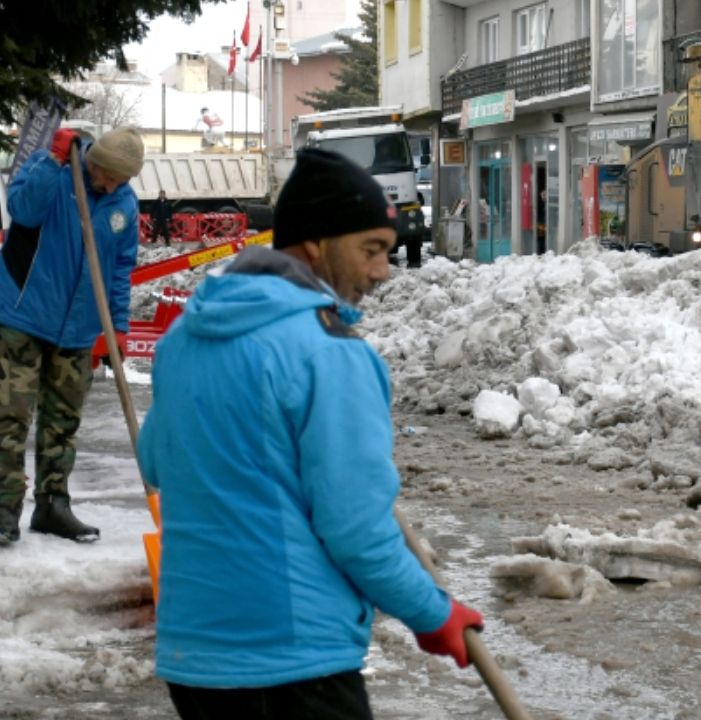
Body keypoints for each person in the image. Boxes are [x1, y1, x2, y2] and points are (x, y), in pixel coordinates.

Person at [137, 148, 484, 720]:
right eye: (370, 250)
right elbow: (356, 532)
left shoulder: (184, 342)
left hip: (194, 660)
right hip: (293, 664)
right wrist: (434, 614)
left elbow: (155, 461)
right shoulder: (330, 355)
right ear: (316, 244)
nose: (382, 271)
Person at [0, 126, 144, 545]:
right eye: (109, 175)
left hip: (77, 329)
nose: (113, 184)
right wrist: (51, 162)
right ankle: (4, 508)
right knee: (9, 418)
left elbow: (120, 270)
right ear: (93, 162)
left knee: (62, 423)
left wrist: (117, 325)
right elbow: (22, 210)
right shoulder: (55, 174)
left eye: (123, 179)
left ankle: (52, 506)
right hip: (21, 316)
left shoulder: (124, 205)